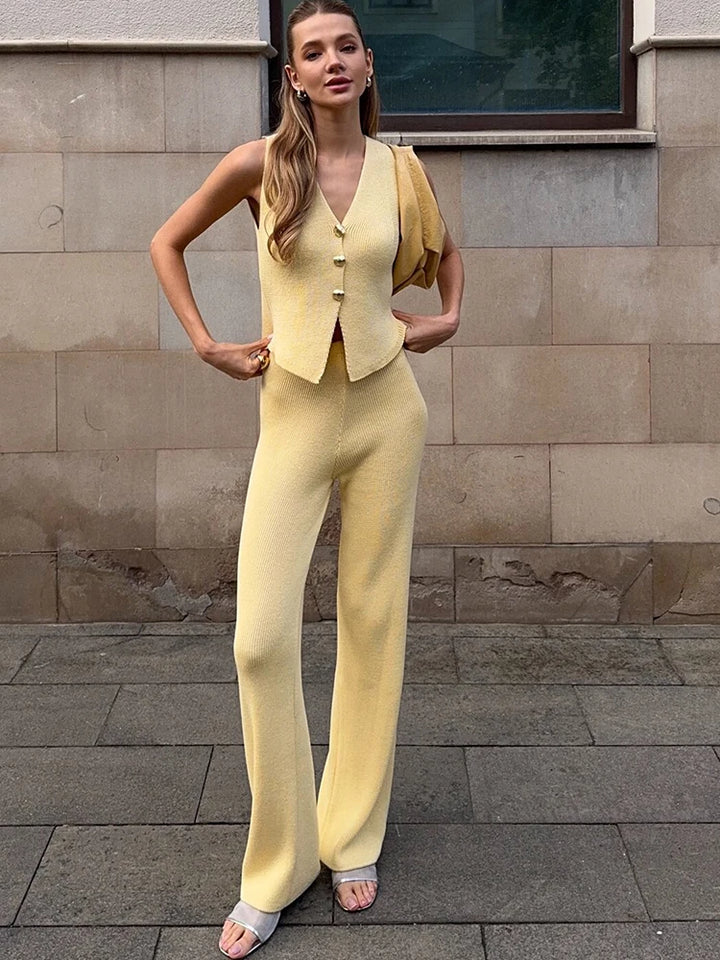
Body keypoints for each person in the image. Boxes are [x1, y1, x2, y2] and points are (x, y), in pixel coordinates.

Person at [149, 1, 464, 955]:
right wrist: (206, 344)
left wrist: (445, 320)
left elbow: (447, 258)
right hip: (291, 415)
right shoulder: (259, 166)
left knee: (374, 620)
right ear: (293, 73)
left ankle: (352, 832)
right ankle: (277, 863)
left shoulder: (401, 171)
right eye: (312, 50)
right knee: (259, 640)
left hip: (385, 414)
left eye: (347, 47)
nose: (332, 61)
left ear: (368, 67)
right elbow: (166, 241)